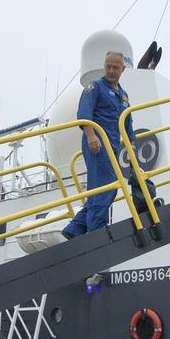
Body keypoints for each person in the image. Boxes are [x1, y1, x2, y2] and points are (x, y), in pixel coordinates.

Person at [61, 51, 135, 238]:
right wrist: (90, 135)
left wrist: (131, 145)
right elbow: (84, 112)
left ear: (122, 69)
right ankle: (96, 231)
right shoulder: (95, 87)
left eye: (115, 68)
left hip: (112, 146)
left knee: (104, 187)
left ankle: (76, 228)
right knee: (107, 186)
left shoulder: (124, 96)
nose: (111, 71)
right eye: (108, 66)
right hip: (97, 143)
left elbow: (127, 123)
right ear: (104, 66)